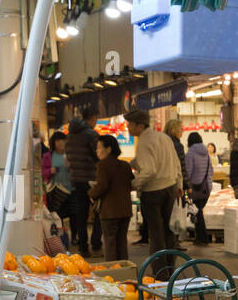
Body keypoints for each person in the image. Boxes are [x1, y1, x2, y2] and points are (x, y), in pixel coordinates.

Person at [124, 108, 183, 277]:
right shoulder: (163, 137)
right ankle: (170, 271)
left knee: (156, 235)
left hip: (153, 192)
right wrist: (179, 183)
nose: (128, 127)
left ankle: (160, 275)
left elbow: (149, 171)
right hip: (170, 189)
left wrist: (134, 184)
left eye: (130, 124)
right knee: (169, 232)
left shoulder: (144, 141)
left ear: (140, 125)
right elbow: (176, 162)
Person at [89, 133, 134, 264]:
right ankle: (125, 270)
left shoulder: (102, 165)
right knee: (122, 243)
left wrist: (91, 193)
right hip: (125, 209)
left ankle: (113, 274)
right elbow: (130, 184)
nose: (97, 151)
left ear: (108, 149)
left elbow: (102, 185)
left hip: (110, 211)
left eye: (99, 147)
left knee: (110, 244)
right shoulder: (125, 165)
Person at [63, 108, 100, 255]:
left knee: (81, 214)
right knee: (99, 211)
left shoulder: (70, 135)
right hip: (92, 178)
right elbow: (99, 154)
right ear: (91, 118)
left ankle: (83, 247)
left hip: (76, 179)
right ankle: (96, 243)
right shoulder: (91, 134)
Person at [184, 131, 214, 244]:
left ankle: (202, 238)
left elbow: (188, 172)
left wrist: (188, 186)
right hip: (206, 187)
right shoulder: (206, 154)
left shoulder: (190, 154)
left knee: (197, 212)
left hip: (195, 188)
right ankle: (201, 237)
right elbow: (211, 171)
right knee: (199, 211)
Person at [43, 131, 72, 221]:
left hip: (70, 191)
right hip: (54, 192)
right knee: (56, 216)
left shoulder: (70, 155)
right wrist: (50, 171)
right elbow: (42, 172)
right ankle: (60, 234)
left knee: (72, 215)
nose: (61, 143)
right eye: (58, 140)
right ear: (53, 142)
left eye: (63, 140)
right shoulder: (48, 156)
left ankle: (73, 235)